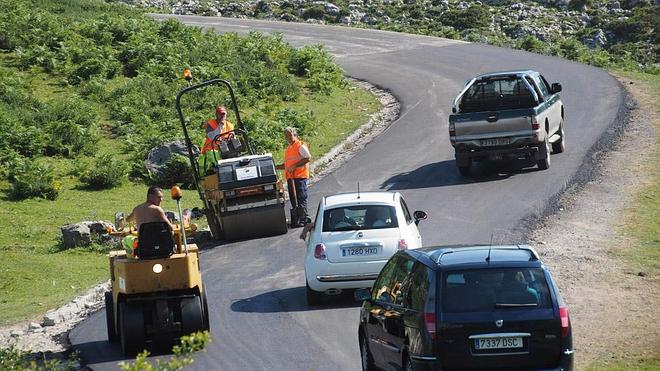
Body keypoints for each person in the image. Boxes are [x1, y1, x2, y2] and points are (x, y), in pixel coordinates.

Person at [122, 186, 175, 258]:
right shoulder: (157, 209)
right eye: (159, 197)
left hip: (144, 248)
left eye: (162, 197)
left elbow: (128, 219)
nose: (161, 200)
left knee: (125, 239)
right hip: (161, 247)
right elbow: (170, 228)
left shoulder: (137, 209)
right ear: (150, 196)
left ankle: (132, 260)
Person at [276, 127, 311, 224]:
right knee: (293, 198)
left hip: (299, 176)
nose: (288, 137)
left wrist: (295, 166)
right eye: (286, 136)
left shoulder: (300, 145)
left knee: (301, 197)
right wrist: (275, 167)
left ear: (294, 135)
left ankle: (304, 217)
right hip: (291, 177)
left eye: (290, 135)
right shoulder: (289, 149)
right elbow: (287, 165)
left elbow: (307, 158)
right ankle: (297, 218)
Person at [198, 105, 235, 174]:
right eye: (220, 114)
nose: (222, 115)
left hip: (226, 148)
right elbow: (212, 136)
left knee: (235, 151)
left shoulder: (230, 125)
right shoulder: (210, 124)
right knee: (214, 154)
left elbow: (233, 137)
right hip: (211, 149)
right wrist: (220, 126)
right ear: (216, 115)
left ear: (226, 114)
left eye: (223, 114)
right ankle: (223, 171)